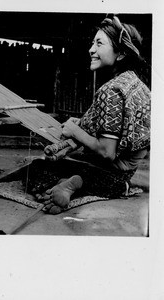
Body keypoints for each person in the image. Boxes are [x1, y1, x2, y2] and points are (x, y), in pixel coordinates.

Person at [30, 15, 151, 214]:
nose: (91, 49)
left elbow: (106, 152)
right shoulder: (138, 87)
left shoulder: (111, 90)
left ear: (120, 54)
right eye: (92, 43)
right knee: (106, 178)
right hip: (125, 175)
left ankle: (69, 184)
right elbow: (128, 130)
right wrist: (87, 125)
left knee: (36, 169)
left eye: (99, 43)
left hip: (106, 171)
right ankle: (83, 185)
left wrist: (74, 131)